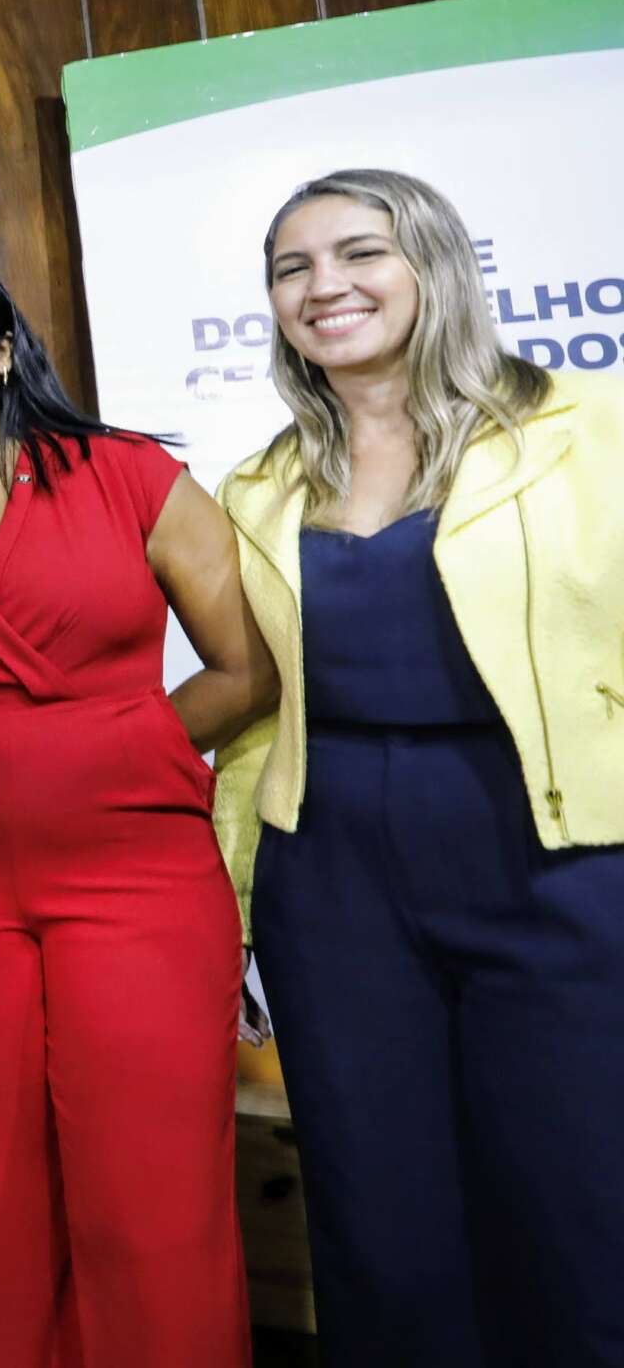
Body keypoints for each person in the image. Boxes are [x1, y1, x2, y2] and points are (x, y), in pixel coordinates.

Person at [214, 169, 624, 1368]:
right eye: (292, 268)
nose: (323, 286)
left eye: (357, 254)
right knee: (378, 1215)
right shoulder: (256, 486)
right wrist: (235, 905)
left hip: (554, 861)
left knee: (576, 1200)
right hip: (330, 878)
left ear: (433, 263)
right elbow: (255, 719)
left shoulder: (586, 429)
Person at [0, 261, 268, 1368]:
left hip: (135, 867)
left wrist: (122, 753)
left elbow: (243, 669)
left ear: (1, 347)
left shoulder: (126, 474)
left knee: (152, 1187)